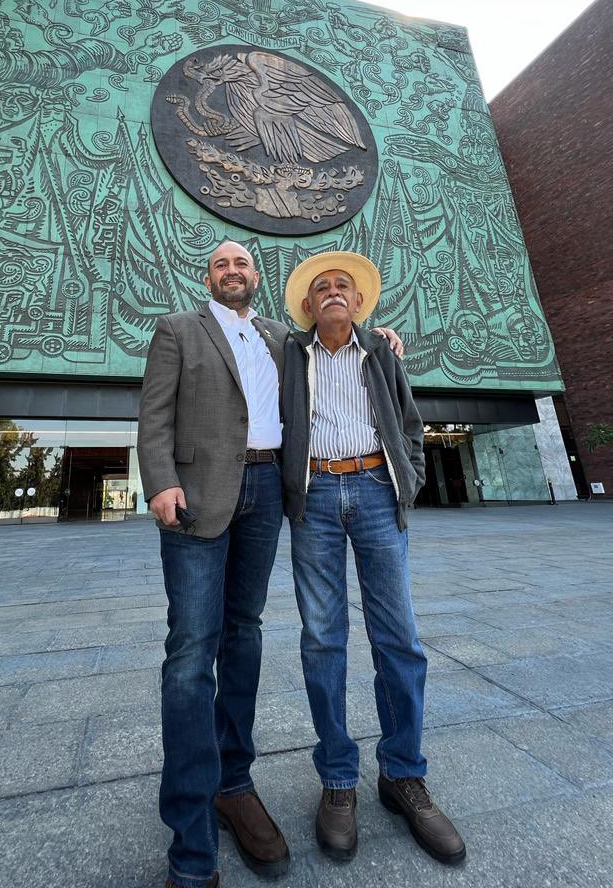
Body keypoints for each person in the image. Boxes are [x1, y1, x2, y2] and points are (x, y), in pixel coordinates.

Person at [137, 241, 403, 888]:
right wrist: (160, 481)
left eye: (243, 265)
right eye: (223, 264)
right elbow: (154, 415)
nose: (234, 271)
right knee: (191, 656)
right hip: (198, 499)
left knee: (245, 637)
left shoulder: (282, 336)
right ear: (209, 277)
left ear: (258, 279)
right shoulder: (177, 329)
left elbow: (337, 337)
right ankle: (191, 844)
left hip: (267, 498)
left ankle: (234, 783)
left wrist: (383, 336)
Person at [280, 250, 466, 866]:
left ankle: (403, 775)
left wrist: (404, 480)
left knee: (399, 639)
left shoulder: (382, 353)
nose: (334, 292)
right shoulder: (289, 353)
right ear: (308, 307)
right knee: (322, 640)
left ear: (360, 303)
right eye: (322, 288)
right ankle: (337, 780)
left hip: (375, 493)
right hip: (313, 496)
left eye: (344, 287)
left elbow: (410, 424)